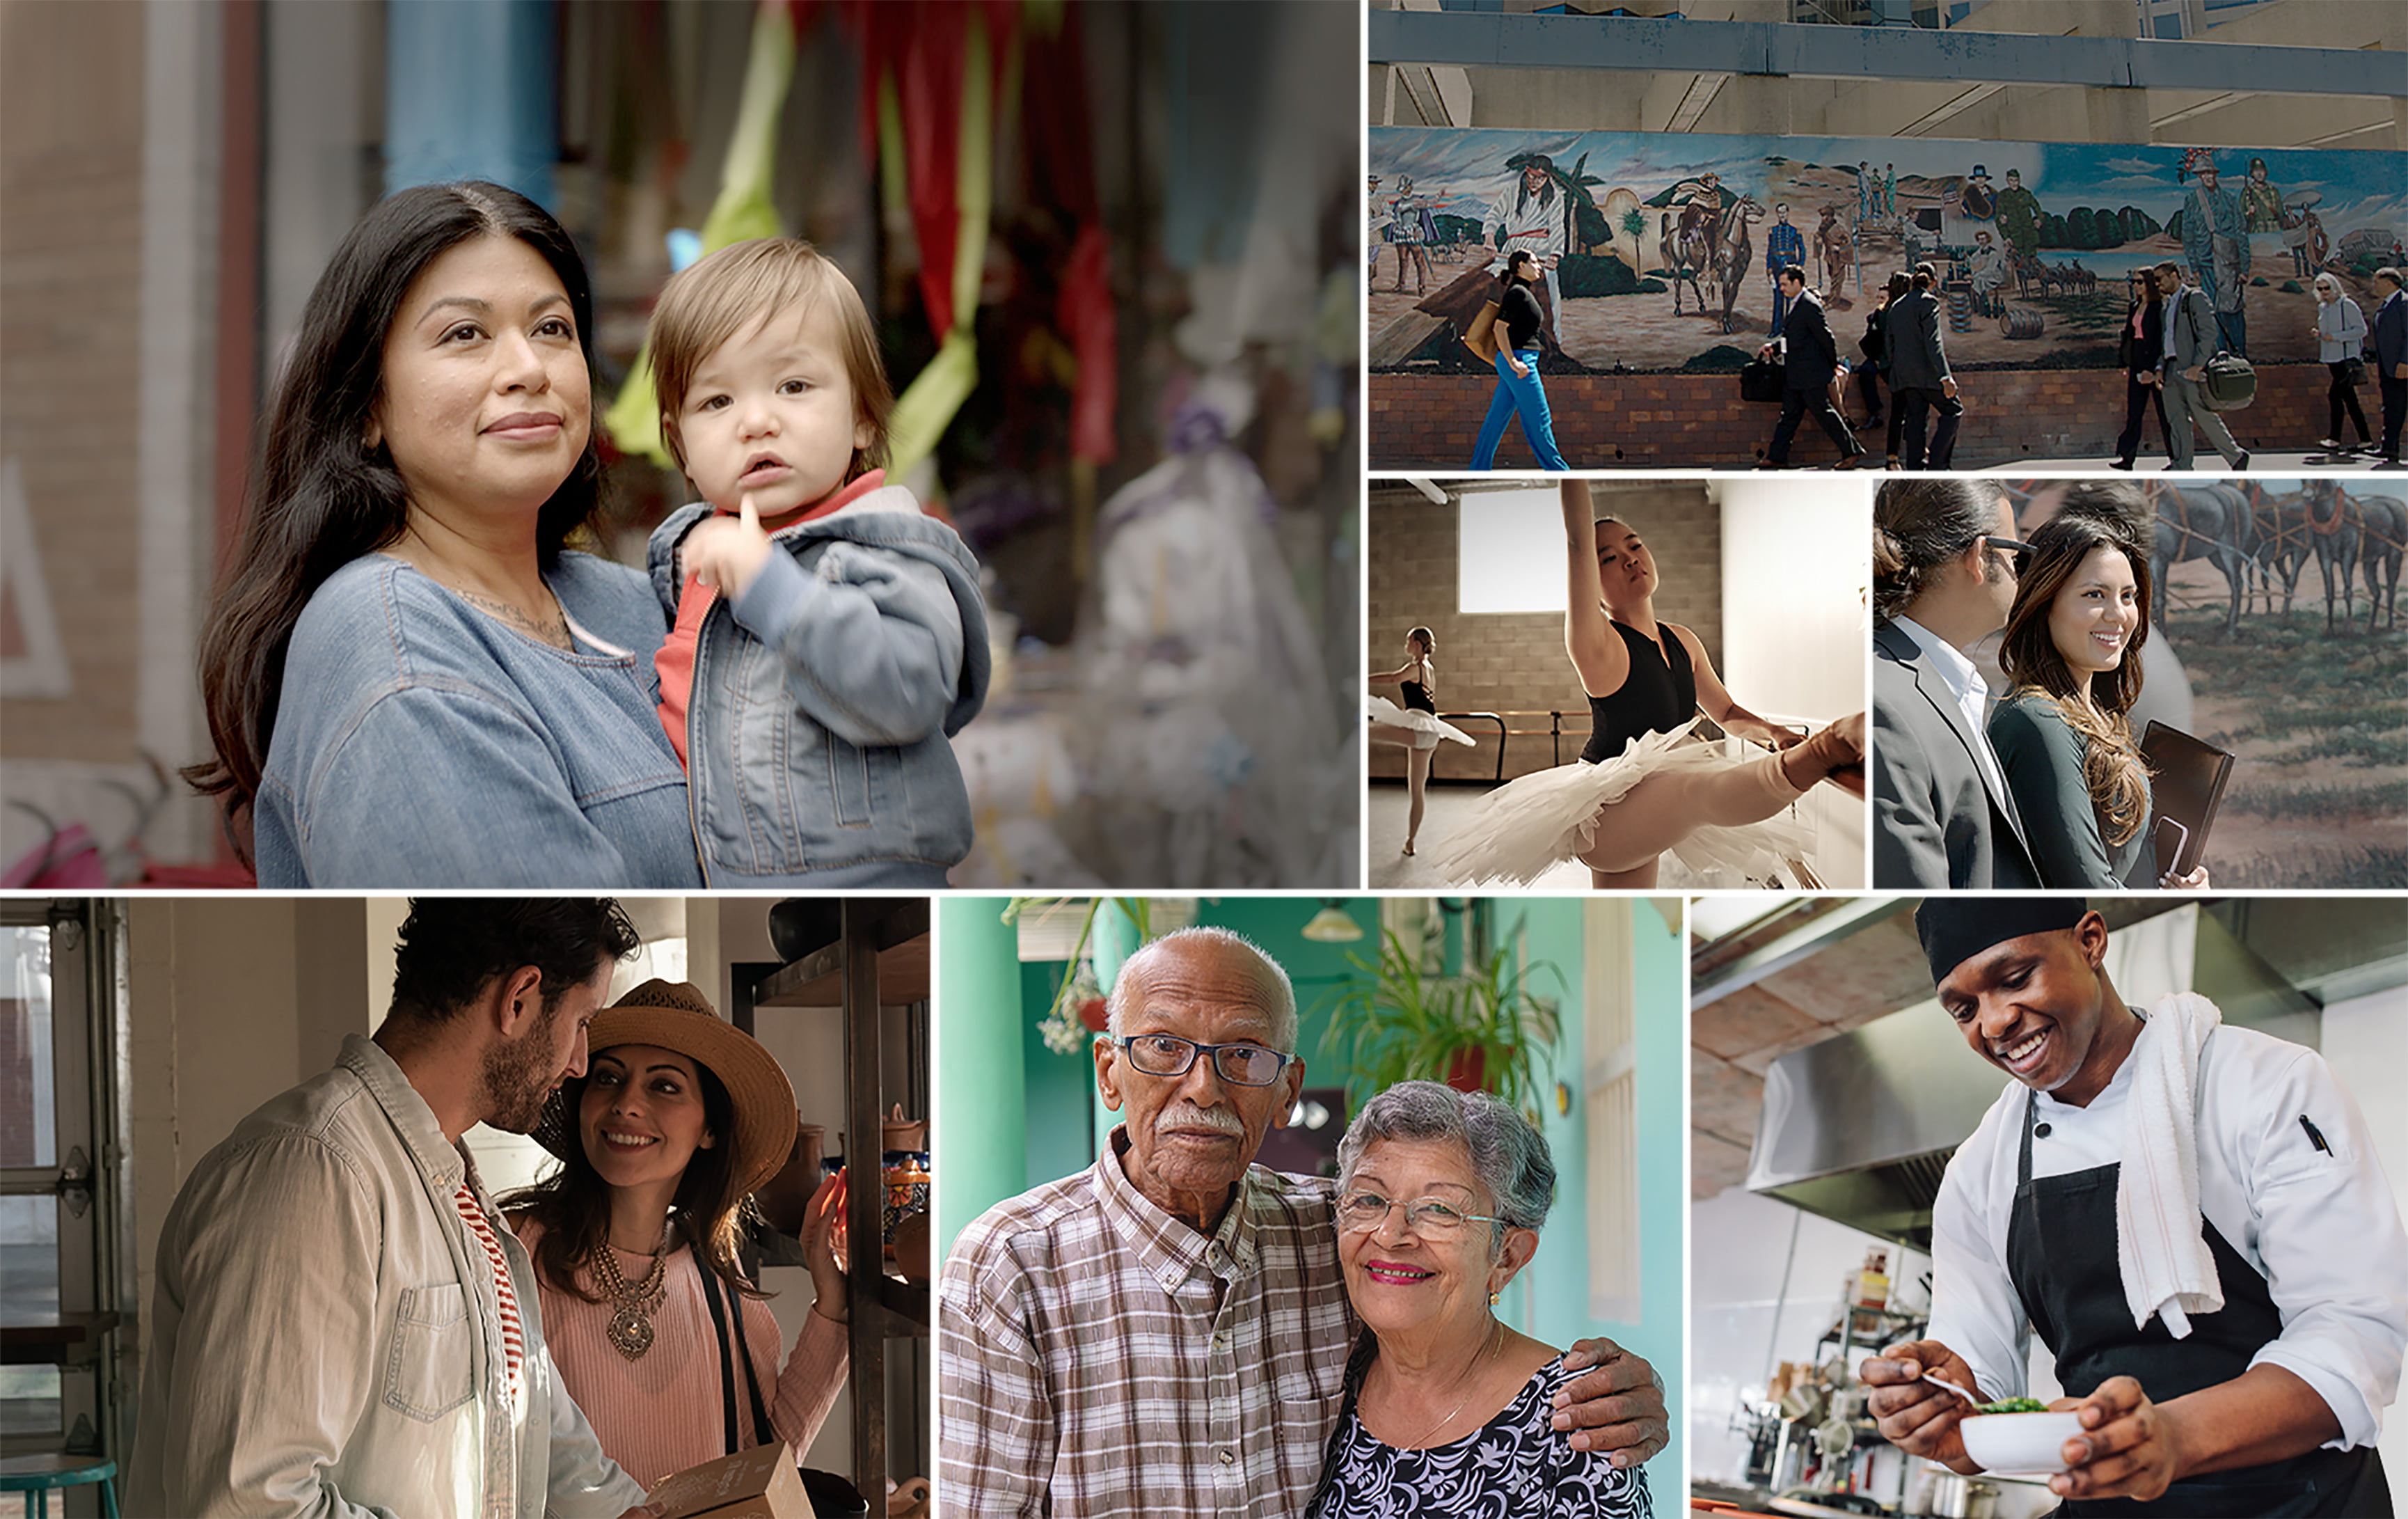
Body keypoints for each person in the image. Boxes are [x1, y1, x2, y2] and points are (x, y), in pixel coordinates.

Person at [937, 927, 1672, 1516]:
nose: (1202, 1085)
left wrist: (1621, 1389)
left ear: (1286, 1089)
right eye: (1164, 1046)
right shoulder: (1009, 1265)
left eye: (1243, 1054)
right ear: (1108, 1070)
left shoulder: (1332, 1232)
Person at [185, 182, 702, 888]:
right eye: (465, 334)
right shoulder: (391, 645)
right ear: (367, 407)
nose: (528, 369)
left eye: (552, 328)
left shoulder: (639, 599)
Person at [1862, 899, 2408, 1516]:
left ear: (2091, 941)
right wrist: (1943, 1411)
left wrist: (2174, 1438)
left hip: (2300, 1502)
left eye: (2015, 979)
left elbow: (2352, 1335)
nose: (1993, 1023)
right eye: (1964, 1009)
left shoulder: (2267, 1085)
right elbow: (1978, 1383)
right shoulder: (1975, 1174)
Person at [128, 899, 654, 1518]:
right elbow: (251, 1503)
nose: (579, 1063)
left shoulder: (455, 1193)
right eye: (582, 1021)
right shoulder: (314, 1169)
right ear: (520, 999)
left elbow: (539, 1434)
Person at [644, 237, 990, 886]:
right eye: (716, 402)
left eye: (793, 386)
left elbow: (907, 693)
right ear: (680, 446)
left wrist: (771, 586)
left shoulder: (882, 544)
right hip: (720, 877)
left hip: (861, 881)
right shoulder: (686, 558)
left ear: (862, 418)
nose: (756, 421)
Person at [1425, 482, 1864, 890]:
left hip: (1650, 807)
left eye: (1634, 546)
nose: (1630, 558)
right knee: (1695, 791)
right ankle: (1826, 750)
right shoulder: (1595, 642)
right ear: (1589, 582)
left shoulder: (1683, 640)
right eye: (1609, 558)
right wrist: (1569, 464)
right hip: (1607, 815)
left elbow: (1727, 714)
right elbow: (1578, 540)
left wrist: (1772, 732)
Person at [507, 979, 849, 1488]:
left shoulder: (719, 1282)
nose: (625, 1104)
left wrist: (832, 1306)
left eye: (664, 1086)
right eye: (607, 1078)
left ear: (710, 1129)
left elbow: (762, 1469)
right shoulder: (514, 1251)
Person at [1306, 1083, 1651, 1519]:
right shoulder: (1330, 1376)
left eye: (1438, 1210)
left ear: (1506, 1256)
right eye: (1370, 1200)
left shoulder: (1578, 1420)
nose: (1390, 1235)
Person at [1985, 515, 2209, 892]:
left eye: (2128, 596)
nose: (2119, 615)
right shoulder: (2038, 720)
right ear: (2044, 601)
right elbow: (2088, 885)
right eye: (2095, 595)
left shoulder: (2099, 717)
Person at [1871, 479, 2042, 890]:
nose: (2020, 573)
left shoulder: (1935, 681)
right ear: (1980, 557)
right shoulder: (1888, 704)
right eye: (2017, 554)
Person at [1367, 627, 1474, 857]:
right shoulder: (1429, 668)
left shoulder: (1414, 667)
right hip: (1429, 732)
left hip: (1420, 727)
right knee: (1417, 790)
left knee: (1369, 730)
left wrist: (1363, 680)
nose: (1405, 644)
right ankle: (1411, 842)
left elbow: (1394, 678)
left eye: (1408, 640)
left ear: (1416, 643)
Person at [1470, 249, 1571, 471]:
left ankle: (1478, 469)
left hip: (1517, 361)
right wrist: (1514, 363)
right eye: (1534, 262)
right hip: (1520, 362)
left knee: (1495, 422)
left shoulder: (1523, 292)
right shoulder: (1517, 293)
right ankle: (1561, 474)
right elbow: (1499, 328)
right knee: (1540, 420)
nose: (1539, 266)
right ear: (1520, 266)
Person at [1760, 266, 1866, 469]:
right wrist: (1774, 348)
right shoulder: (1796, 303)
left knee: (1824, 413)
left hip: (1810, 373)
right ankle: (1777, 456)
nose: (1781, 288)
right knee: (1789, 416)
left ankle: (1851, 451)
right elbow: (1795, 339)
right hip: (1797, 373)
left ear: (1796, 283)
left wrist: (1832, 364)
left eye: (1784, 284)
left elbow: (1825, 337)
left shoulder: (1809, 305)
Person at [2156, 261, 2249, 473]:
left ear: (2173, 275)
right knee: (2177, 420)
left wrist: (2198, 365)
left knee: (2204, 416)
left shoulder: (2195, 297)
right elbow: (2165, 340)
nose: (2158, 284)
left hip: (2192, 369)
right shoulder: (2167, 305)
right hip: (2170, 369)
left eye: (2160, 278)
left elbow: (2208, 333)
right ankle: (2182, 465)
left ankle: (2236, 456)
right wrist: (2160, 367)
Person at [1488, 153, 1574, 350]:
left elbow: (1558, 228)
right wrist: (1490, 239)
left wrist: (1554, 256)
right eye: (1532, 176)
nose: (1535, 182)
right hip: (1513, 250)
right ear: (1526, 173)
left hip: (1541, 252)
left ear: (1548, 178)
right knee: (1494, 283)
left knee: (1550, 295)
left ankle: (1553, 342)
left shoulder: (1555, 198)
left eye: (1540, 178)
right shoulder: (1512, 191)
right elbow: (1494, 214)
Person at [1886, 262, 1961, 471]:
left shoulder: (1897, 306)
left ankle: (1915, 467)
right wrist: (1945, 377)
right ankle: (1938, 462)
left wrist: (1898, 370)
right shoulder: (1929, 303)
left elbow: (1889, 344)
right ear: (1934, 282)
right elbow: (1933, 341)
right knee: (1953, 410)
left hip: (1905, 375)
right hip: (1928, 374)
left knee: (1916, 419)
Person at [2177, 148, 2250, 358]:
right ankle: (2220, 356)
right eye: (2203, 174)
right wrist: (2194, 266)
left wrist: (2245, 267)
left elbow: (2241, 233)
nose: (2208, 177)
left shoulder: (2229, 200)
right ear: (2199, 176)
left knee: (2234, 309)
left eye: (2210, 173)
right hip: (2206, 263)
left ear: (2215, 174)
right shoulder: (2193, 200)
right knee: (2213, 312)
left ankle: (2240, 354)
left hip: (2229, 263)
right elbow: (2188, 235)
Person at [2111, 269, 2169, 471]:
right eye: (2133, 282)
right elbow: (2128, 335)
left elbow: (2160, 339)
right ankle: (2127, 458)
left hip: (2153, 364)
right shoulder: (2134, 306)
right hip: (2136, 361)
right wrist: (2125, 362)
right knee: (2134, 413)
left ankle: (2176, 457)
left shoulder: (2158, 307)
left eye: (2139, 282)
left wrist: (2153, 369)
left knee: (2165, 413)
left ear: (2149, 284)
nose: (2135, 285)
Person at [2311, 272, 2374, 456]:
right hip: (2332, 358)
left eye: (2327, 288)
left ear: (2334, 286)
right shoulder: (2323, 307)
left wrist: (2336, 337)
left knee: (2335, 396)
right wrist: (2319, 334)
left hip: (2346, 358)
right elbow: (2327, 331)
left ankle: (2335, 438)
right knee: (2349, 400)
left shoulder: (2347, 305)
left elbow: (2361, 330)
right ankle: (2365, 439)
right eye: (2320, 289)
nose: (2324, 292)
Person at [1857, 272, 1908, 456]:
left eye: (1883, 298)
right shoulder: (1875, 316)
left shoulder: (1895, 314)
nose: (1880, 301)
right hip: (1878, 357)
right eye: (1878, 298)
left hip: (1893, 361)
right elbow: (1872, 340)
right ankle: (1874, 413)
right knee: (1865, 372)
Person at [2370, 267, 2407, 467]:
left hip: (2402, 366)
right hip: (2388, 366)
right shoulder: (2386, 305)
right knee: (2392, 406)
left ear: (2389, 282)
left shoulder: (2404, 303)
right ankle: (2389, 447)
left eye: (2376, 281)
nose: (2374, 286)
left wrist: (2406, 361)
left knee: (2398, 405)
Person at [1766, 205, 1806, 329]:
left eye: (1784, 213)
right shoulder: (1773, 231)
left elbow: (1802, 250)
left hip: (1791, 266)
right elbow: (1770, 252)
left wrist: (1799, 267)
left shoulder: (1795, 231)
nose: (1782, 215)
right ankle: (1776, 328)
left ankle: (1791, 327)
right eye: (1779, 213)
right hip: (1777, 267)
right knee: (1778, 299)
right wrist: (1770, 270)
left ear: (1788, 213)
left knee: (1791, 300)